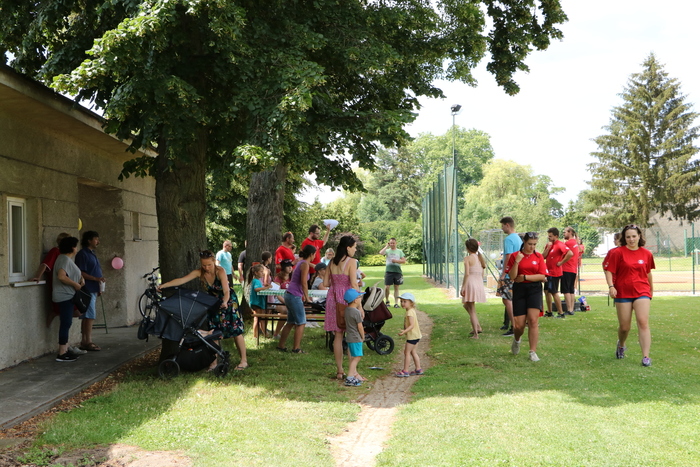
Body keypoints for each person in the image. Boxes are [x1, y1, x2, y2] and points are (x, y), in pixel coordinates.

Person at [159, 250, 248, 370]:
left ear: (214, 262)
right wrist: (163, 286)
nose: (206, 268)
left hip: (228, 301)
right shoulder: (199, 272)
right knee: (214, 333)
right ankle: (214, 363)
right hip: (212, 303)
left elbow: (226, 290)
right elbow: (181, 280)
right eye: (204, 265)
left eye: (209, 265)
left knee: (235, 331)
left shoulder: (220, 271)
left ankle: (243, 361)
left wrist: (225, 302)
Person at [603, 225, 655, 367]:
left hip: (642, 291)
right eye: (628, 237)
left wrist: (651, 289)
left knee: (643, 322)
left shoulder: (646, 254)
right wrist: (611, 286)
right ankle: (621, 344)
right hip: (623, 292)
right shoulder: (617, 253)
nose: (631, 239)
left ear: (639, 236)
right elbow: (609, 271)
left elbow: (648, 272)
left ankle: (646, 356)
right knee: (624, 327)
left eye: (634, 236)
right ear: (624, 238)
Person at [505, 231, 547, 362]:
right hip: (520, 290)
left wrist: (525, 277)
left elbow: (542, 276)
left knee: (533, 321)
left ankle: (532, 351)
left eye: (534, 244)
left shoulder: (538, 256)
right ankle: (517, 339)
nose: (532, 247)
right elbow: (512, 277)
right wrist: (517, 262)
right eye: (530, 244)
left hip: (534, 289)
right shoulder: (515, 256)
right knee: (519, 326)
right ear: (524, 242)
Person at [323, 235, 359, 380]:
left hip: (333, 299)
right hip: (347, 298)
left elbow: (325, 283)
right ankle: (352, 371)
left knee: (337, 335)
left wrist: (336, 284)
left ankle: (339, 370)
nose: (355, 250)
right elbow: (354, 284)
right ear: (348, 247)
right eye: (354, 247)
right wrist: (359, 305)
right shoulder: (352, 262)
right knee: (351, 334)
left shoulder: (332, 262)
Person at [277, 245, 316, 354]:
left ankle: (281, 345)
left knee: (290, 322)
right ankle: (296, 348)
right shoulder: (304, 264)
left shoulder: (301, 262)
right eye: (315, 254)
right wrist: (307, 298)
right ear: (311, 254)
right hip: (294, 296)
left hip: (289, 294)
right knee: (301, 322)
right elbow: (304, 282)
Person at [52, 236, 85, 362]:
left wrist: (81, 279)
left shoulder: (66, 259)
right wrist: (75, 284)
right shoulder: (64, 259)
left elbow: (71, 273)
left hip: (68, 295)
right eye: (76, 246)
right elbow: (61, 276)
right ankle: (62, 353)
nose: (77, 248)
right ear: (72, 247)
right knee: (66, 323)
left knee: (67, 322)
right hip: (65, 296)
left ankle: (65, 349)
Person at [31, 232, 71, 326]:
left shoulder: (65, 254)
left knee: (76, 311)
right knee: (61, 309)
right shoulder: (55, 251)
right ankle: (50, 320)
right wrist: (38, 276)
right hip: (57, 285)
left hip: (66, 286)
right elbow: (45, 264)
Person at [75, 230, 105, 352]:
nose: (98, 241)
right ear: (89, 240)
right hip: (87, 289)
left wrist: (99, 285)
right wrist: (95, 279)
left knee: (88, 315)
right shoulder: (83, 254)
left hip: (94, 288)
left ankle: (85, 340)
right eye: (96, 239)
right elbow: (80, 272)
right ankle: (88, 341)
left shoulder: (92, 254)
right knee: (90, 315)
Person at [497, 217, 522, 336]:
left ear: (507, 225)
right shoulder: (518, 238)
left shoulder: (508, 239)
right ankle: (515, 324)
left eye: (502, 226)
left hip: (509, 274)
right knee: (511, 299)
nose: (502, 228)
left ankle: (514, 326)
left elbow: (508, 256)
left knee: (507, 300)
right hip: (517, 272)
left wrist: (503, 273)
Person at [542, 227, 572, 318]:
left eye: (550, 236)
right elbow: (543, 257)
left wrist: (561, 262)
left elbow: (570, 253)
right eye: (548, 236)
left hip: (554, 273)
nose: (549, 238)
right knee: (546, 291)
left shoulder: (559, 244)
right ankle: (549, 311)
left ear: (556, 236)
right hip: (548, 272)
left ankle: (561, 313)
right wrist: (548, 248)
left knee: (554, 292)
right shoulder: (549, 245)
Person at [460, 239, 485, 339]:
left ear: (467, 248)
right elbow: (482, 274)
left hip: (470, 283)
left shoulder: (467, 258)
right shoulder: (480, 258)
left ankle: (476, 333)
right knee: (467, 305)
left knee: (472, 310)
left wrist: (463, 286)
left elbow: (467, 274)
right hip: (478, 283)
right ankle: (477, 327)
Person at [395, 292, 423, 377]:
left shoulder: (409, 312)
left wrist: (404, 331)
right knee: (413, 352)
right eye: (401, 301)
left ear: (411, 302)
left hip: (412, 336)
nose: (402, 303)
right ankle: (418, 369)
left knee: (406, 352)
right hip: (416, 335)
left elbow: (411, 325)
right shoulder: (411, 311)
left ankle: (405, 371)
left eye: (405, 301)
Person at [343, 288, 366, 387]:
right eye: (360, 297)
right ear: (355, 300)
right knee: (357, 357)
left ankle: (351, 376)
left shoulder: (347, 310)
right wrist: (363, 336)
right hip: (356, 337)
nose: (361, 299)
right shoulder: (356, 312)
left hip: (349, 337)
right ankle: (350, 377)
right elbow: (360, 326)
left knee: (354, 357)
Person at [379, 238, 406, 308]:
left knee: (396, 287)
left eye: (393, 243)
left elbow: (404, 261)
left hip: (397, 271)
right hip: (389, 271)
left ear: (396, 243)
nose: (392, 244)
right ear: (389, 243)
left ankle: (396, 303)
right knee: (387, 287)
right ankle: (387, 301)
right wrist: (386, 246)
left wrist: (396, 261)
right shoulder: (387, 251)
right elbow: (381, 253)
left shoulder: (399, 251)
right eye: (391, 243)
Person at [248, 264, 271, 338]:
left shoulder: (256, 281)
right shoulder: (256, 281)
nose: (263, 273)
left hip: (257, 302)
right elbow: (256, 289)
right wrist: (266, 288)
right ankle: (259, 335)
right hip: (257, 303)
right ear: (256, 273)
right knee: (258, 319)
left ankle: (262, 334)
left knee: (258, 319)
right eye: (261, 271)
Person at [562, 227, 580, 314]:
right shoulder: (575, 243)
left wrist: (561, 262)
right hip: (573, 269)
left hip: (566, 268)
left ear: (570, 232)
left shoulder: (568, 243)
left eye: (565, 232)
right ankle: (571, 309)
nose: (563, 234)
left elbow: (562, 253)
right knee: (571, 289)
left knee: (566, 290)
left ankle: (569, 309)